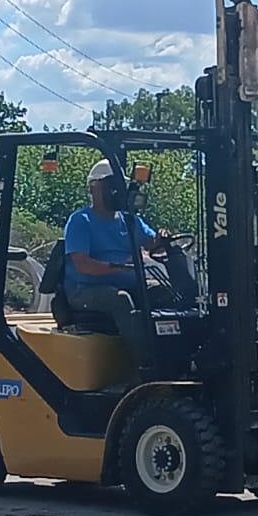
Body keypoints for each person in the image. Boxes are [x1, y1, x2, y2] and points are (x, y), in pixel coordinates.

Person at [63, 159, 169, 371]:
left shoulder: (129, 220)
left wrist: (163, 239)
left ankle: (173, 353)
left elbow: (151, 243)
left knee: (164, 292)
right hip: (84, 291)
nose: (118, 192)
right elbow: (83, 265)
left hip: (127, 283)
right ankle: (147, 365)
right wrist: (121, 267)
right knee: (120, 300)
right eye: (113, 186)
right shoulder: (81, 221)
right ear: (95, 188)